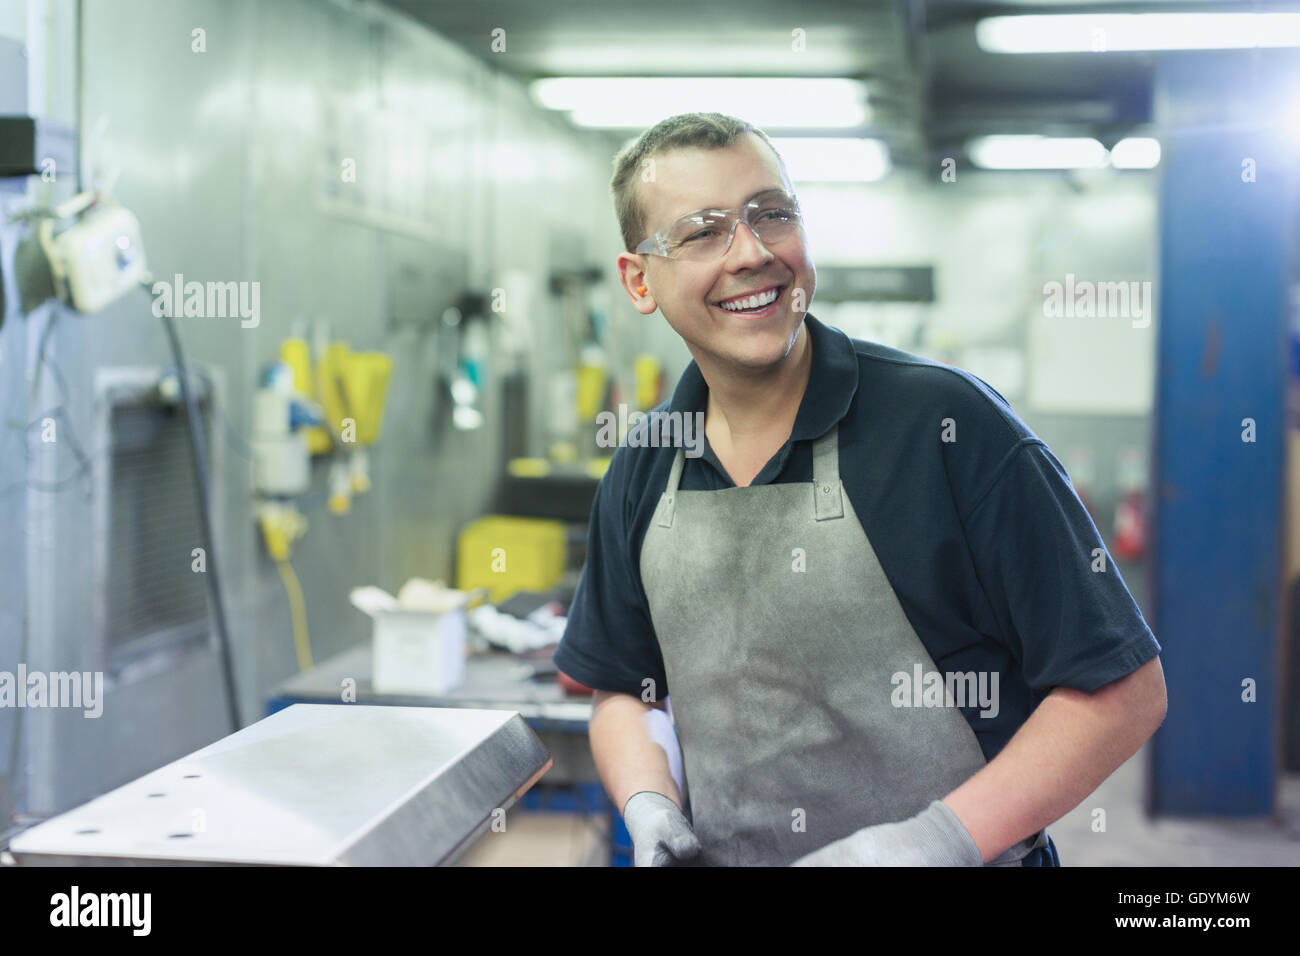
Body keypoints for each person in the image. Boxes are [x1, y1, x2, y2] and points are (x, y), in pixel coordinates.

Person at [552, 112, 1166, 866]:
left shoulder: (949, 427)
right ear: (640, 280)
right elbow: (624, 687)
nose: (751, 252)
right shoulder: (646, 463)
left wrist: (939, 840)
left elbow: (1124, 691)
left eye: (771, 214)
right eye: (704, 232)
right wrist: (648, 801)